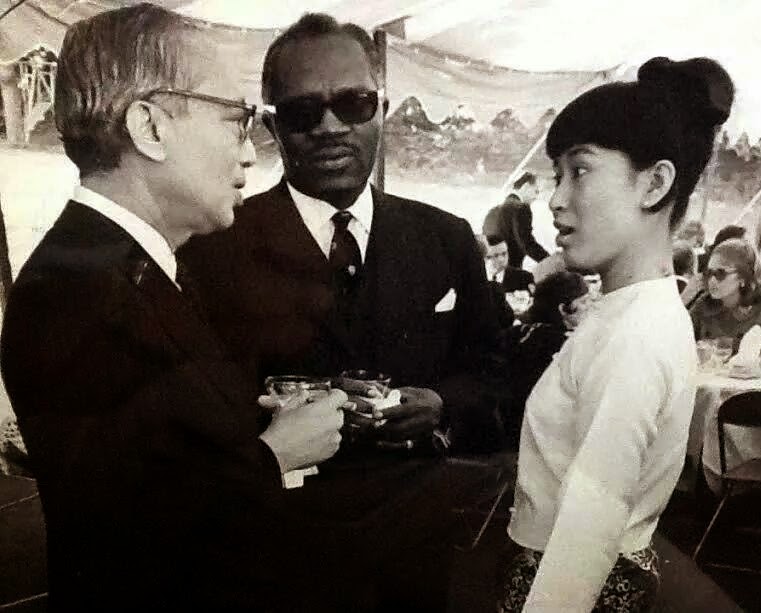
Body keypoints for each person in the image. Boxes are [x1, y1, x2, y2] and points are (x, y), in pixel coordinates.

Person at [0, 5, 347, 611]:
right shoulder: (73, 293)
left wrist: (247, 425)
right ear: (150, 128)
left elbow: (154, 456)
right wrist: (276, 453)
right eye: (236, 120)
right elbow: (123, 533)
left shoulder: (131, 265)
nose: (250, 153)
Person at [180, 13, 499, 613]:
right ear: (272, 126)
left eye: (353, 104)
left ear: (382, 109)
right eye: (303, 112)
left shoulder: (446, 238)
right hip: (279, 556)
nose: (330, 127)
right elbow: (192, 418)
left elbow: (492, 370)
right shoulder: (213, 248)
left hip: (414, 548)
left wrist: (441, 404)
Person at [498, 56, 734, 612]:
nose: (556, 199)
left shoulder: (637, 333)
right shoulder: (633, 311)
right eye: (557, 175)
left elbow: (591, 519)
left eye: (579, 171)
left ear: (654, 183)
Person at [499, 271, 591, 449]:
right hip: (546, 435)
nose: (591, 307)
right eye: (584, 302)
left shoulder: (519, 332)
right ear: (563, 309)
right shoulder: (565, 346)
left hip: (512, 428)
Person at [689, 237, 761, 352]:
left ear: (742, 277)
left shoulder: (757, 311)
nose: (712, 280)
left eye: (720, 273)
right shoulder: (703, 305)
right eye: (709, 273)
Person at [482, 171, 550, 268]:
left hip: (492, 271)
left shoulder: (492, 212)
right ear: (526, 186)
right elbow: (526, 243)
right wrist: (550, 262)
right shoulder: (521, 208)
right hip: (511, 272)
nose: (536, 197)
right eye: (536, 191)